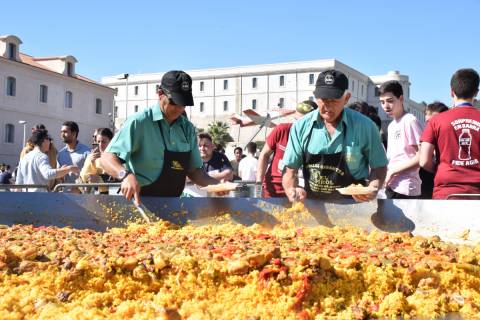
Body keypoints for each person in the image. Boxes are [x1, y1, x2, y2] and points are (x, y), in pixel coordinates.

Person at [101, 70, 225, 204]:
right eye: (174, 102)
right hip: (140, 204)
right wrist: (124, 175)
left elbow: (194, 171)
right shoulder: (139, 122)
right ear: (160, 94)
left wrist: (217, 185)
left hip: (174, 205)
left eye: (183, 103)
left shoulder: (188, 129)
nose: (178, 109)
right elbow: (106, 158)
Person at [282, 69, 387, 202]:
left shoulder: (365, 126)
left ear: (346, 98)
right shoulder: (300, 127)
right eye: (323, 100)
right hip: (315, 208)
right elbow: (290, 169)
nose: (327, 106)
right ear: (315, 96)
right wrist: (292, 189)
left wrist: (373, 188)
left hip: (353, 206)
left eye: (334, 100)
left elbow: (379, 167)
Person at [420, 68, 480, 199]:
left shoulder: (436, 120)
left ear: (451, 92)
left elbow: (424, 160)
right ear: (476, 92)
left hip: (446, 193)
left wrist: (441, 169)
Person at [256, 100, 317, 197]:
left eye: (302, 122)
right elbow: (264, 155)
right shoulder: (282, 130)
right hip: (274, 190)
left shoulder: (318, 140)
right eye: (296, 120)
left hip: (301, 192)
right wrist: (259, 183)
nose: (297, 125)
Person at [380, 80, 423, 199]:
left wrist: (393, 171)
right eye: (382, 102)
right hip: (392, 185)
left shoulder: (410, 120)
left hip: (406, 187)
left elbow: (421, 156)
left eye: (390, 101)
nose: (385, 106)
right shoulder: (391, 125)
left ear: (401, 99)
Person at [419, 102, 449, 199]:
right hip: (425, 190)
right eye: (428, 122)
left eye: (434, 121)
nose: (431, 125)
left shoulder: (450, 142)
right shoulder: (423, 140)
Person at [57, 121, 90, 192]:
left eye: (65, 132)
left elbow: (91, 175)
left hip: (84, 196)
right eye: (61, 132)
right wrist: (60, 175)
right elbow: (58, 178)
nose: (62, 135)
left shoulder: (87, 152)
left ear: (74, 133)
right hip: (66, 196)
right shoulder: (60, 154)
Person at [80, 128, 114, 194]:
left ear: (110, 142)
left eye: (103, 142)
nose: (100, 145)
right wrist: (92, 162)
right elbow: (83, 177)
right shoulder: (91, 156)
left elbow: (118, 177)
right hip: (91, 194)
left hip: (110, 195)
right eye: (98, 141)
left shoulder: (116, 156)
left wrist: (99, 179)